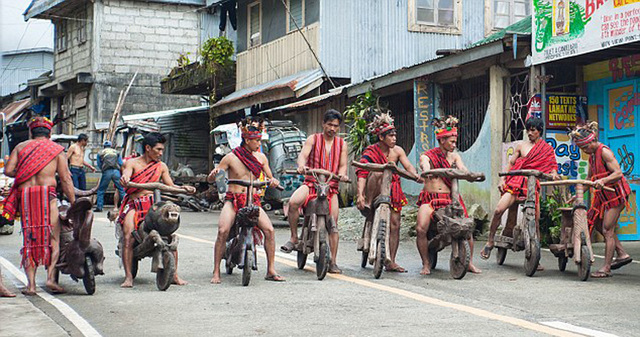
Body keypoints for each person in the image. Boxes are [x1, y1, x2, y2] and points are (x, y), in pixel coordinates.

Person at [2, 117, 75, 295]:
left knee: (29, 239)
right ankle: (50, 278)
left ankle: (31, 285)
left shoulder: (21, 147)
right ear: (49, 133)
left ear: (30, 132)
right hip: (47, 196)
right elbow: (65, 179)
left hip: (26, 196)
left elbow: (9, 171)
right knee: (54, 238)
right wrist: (74, 203)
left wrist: (27, 169)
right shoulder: (57, 150)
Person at [208, 118, 285, 284]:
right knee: (222, 231)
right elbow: (217, 179)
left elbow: (271, 177)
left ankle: (271, 269)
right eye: (257, 140)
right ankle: (216, 271)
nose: (259, 143)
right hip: (233, 200)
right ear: (247, 140)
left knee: (270, 230)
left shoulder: (262, 158)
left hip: (253, 200)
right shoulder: (230, 157)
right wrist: (213, 176)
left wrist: (274, 181)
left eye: (260, 140)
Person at [117, 132, 194, 288]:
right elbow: (126, 176)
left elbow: (170, 186)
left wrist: (183, 188)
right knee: (128, 235)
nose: (160, 153)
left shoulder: (161, 167)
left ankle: (174, 275)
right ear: (147, 148)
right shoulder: (131, 163)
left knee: (170, 233)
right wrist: (125, 179)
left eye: (162, 150)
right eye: (158, 149)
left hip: (154, 205)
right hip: (134, 204)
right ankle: (128, 277)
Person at [480, 117, 558, 266]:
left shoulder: (546, 149)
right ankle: (490, 241)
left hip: (531, 186)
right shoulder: (521, 146)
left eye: (533, 130)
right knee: (498, 210)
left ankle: (536, 258)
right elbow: (510, 163)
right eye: (528, 130)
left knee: (535, 219)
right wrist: (502, 180)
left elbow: (552, 165)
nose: (530, 133)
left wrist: (554, 173)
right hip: (514, 183)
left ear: (539, 131)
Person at [281, 109, 349, 274]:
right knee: (293, 202)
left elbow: (342, 165)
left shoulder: (342, 144)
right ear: (323, 124)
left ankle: (333, 261)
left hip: (330, 188)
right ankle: (294, 237)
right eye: (330, 125)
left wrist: (342, 175)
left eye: (336, 126)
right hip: (311, 182)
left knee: (333, 223)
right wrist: (301, 166)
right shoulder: (313, 139)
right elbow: (303, 156)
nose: (332, 128)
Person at [415, 116, 481, 275]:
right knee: (420, 228)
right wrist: (426, 171)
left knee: (467, 229)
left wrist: (469, 175)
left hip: (450, 199)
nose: (454, 144)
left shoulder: (455, 156)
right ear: (442, 140)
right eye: (451, 141)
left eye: (454, 141)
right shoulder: (427, 155)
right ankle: (425, 263)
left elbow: (462, 168)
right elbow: (425, 166)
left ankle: (469, 262)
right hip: (430, 199)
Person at [354, 113, 420, 272]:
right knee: (377, 172)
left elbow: (408, 167)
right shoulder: (370, 151)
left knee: (395, 225)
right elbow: (362, 173)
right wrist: (360, 195)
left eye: (395, 135)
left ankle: (391, 261)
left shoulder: (398, 151)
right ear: (381, 137)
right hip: (374, 189)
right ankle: (369, 204)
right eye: (390, 136)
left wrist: (415, 176)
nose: (394, 138)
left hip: (393, 190)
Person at [569, 122, 633, 278]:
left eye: (585, 148)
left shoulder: (604, 152)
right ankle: (621, 253)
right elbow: (590, 178)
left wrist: (603, 181)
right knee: (597, 223)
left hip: (617, 195)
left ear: (591, 141)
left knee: (607, 229)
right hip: (605, 197)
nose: (584, 151)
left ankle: (606, 268)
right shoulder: (591, 156)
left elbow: (618, 173)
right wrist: (578, 193)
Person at [95, 140, 125, 212]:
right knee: (121, 189)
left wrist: (103, 170)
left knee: (101, 190)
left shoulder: (100, 153)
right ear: (111, 146)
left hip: (107, 172)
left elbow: (99, 164)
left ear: (104, 146)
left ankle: (99, 207)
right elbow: (121, 163)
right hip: (116, 172)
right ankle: (126, 205)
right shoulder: (116, 152)